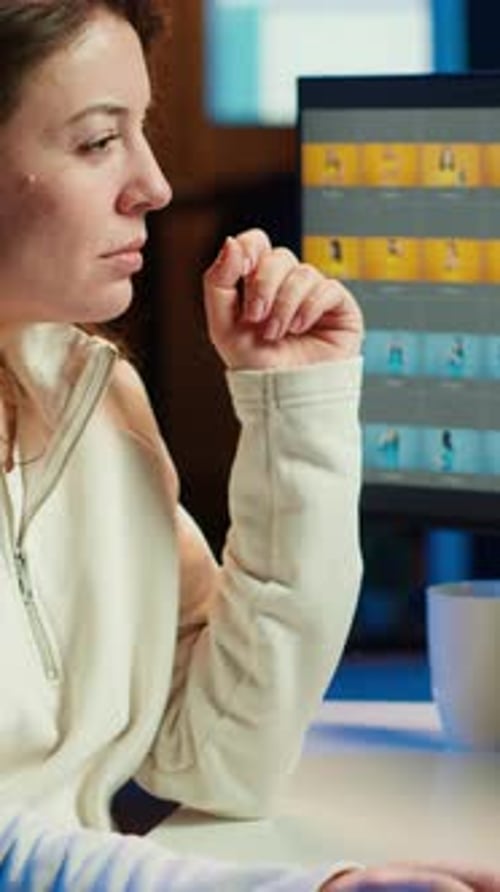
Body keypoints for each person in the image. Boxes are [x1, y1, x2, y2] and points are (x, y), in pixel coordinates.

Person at [0, 2, 498, 890]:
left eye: (142, 129)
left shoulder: (88, 398)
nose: (153, 185)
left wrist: (293, 409)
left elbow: (223, 756)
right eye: (98, 141)